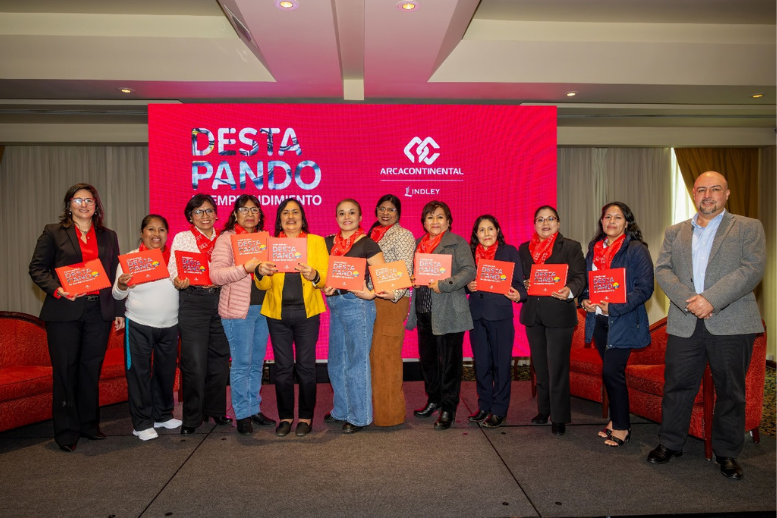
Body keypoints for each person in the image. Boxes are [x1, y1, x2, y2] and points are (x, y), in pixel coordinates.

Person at [648, 171, 766, 480]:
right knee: (677, 386)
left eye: (715, 189)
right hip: (685, 321)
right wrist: (692, 301)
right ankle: (670, 443)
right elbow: (663, 270)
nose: (707, 195)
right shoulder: (675, 232)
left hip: (731, 322)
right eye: (701, 189)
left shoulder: (748, 227)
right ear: (694, 193)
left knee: (731, 390)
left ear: (727, 194)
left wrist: (711, 300)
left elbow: (752, 269)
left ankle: (727, 452)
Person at [29, 183, 124, 452]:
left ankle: (89, 425)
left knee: (90, 371)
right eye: (78, 200)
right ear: (69, 204)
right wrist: (57, 289)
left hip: (99, 311)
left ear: (97, 205)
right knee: (65, 372)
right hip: (65, 311)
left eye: (89, 200)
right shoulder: (54, 232)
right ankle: (66, 431)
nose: (84, 204)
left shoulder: (108, 235)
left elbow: (115, 274)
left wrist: (118, 312)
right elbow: (37, 268)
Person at [580, 202, 654, 447]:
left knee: (613, 373)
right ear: (601, 222)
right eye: (607, 217)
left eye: (617, 217)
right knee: (610, 374)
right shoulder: (594, 249)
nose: (611, 221)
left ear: (627, 222)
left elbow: (645, 289)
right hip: (599, 321)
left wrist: (614, 307)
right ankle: (615, 420)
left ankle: (622, 426)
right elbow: (587, 284)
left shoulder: (636, 250)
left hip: (623, 320)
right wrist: (585, 300)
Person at [255, 199, 328, 438]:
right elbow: (263, 284)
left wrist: (315, 274)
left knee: (306, 368)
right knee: (283, 369)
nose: (290, 217)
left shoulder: (315, 242)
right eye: (285, 213)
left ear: (302, 217)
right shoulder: (270, 244)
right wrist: (260, 272)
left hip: (307, 314)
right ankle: (285, 417)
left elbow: (325, 278)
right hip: (277, 315)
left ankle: (305, 417)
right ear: (280, 218)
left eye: (295, 212)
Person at [406, 201, 476, 430]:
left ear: (448, 221)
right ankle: (434, 399)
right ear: (423, 222)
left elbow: (469, 271)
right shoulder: (417, 244)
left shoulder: (458, 243)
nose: (434, 222)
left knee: (449, 364)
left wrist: (445, 284)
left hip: (449, 312)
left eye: (439, 217)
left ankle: (449, 407)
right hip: (424, 312)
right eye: (429, 217)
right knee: (428, 363)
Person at [210, 195, 276, 436]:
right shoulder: (226, 239)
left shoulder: (266, 239)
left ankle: (254, 408)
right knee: (241, 364)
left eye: (254, 210)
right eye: (244, 209)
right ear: (235, 214)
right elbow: (216, 275)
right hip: (238, 311)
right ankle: (242, 413)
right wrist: (244, 268)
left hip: (263, 310)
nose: (250, 214)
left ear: (260, 214)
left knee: (257, 363)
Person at [518, 205, 586, 436]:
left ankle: (559, 417)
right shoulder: (525, 249)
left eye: (550, 219)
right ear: (534, 224)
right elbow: (521, 279)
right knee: (540, 366)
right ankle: (543, 410)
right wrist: (524, 284)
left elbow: (580, 277)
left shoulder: (570, 247)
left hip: (559, 314)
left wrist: (568, 290)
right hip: (533, 315)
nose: (545, 223)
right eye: (540, 220)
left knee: (557, 367)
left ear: (558, 223)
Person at [113, 214, 181, 441]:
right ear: (142, 233)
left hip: (170, 326)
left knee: (165, 373)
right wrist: (122, 283)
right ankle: (141, 423)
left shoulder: (174, 259)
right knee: (139, 374)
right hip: (139, 325)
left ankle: (162, 415)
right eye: (151, 229)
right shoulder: (131, 259)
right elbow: (116, 293)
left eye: (161, 230)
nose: (156, 234)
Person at [169, 194, 232, 434]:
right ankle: (192, 418)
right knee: (194, 363)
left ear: (216, 215)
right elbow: (173, 270)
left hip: (221, 299)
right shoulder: (182, 238)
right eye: (198, 212)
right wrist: (179, 280)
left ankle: (215, 411)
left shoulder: (225, 239)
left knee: (219, 360)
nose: (204, 216)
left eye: (208, 211)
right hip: (193, 301)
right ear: (190, 217)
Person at [323, 199, 385, 433]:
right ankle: (342, 409)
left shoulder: (368, 243)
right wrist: (324, 284)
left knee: (357, 361)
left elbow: (383, 277)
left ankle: (360, 416)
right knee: (337, 361)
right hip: (336, 303)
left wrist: (370, 294)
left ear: (360, 217)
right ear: (336, 217)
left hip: (358, 304)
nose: (346, 217)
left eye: (351, 213)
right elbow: (321, 272)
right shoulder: (328, 242)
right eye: (341, 213)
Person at [466, 215, 527, 428]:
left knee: (501, 365)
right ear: (476, 234)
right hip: (476, 315)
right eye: (481, 230)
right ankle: (484, 405)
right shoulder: (469, 253)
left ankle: (499, 409)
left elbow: (520, 284)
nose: (486, 234)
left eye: (490, 229)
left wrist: (517, 294)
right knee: (481, 364)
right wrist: (468, 287)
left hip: (500, 315)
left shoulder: (509, 252)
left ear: (498, 230)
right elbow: (464, 280)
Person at [367, 195, 416, 427]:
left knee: (386, 358)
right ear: (376, 210)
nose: (386, 213)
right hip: (370, 300)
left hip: (391, 301)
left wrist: (394, 294)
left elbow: (406, 268)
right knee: (373, 359)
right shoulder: (371, 234)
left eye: (391, 210)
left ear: (398, 213)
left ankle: (390, 416)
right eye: (382, 209)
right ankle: (371, 411)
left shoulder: (403, 235)